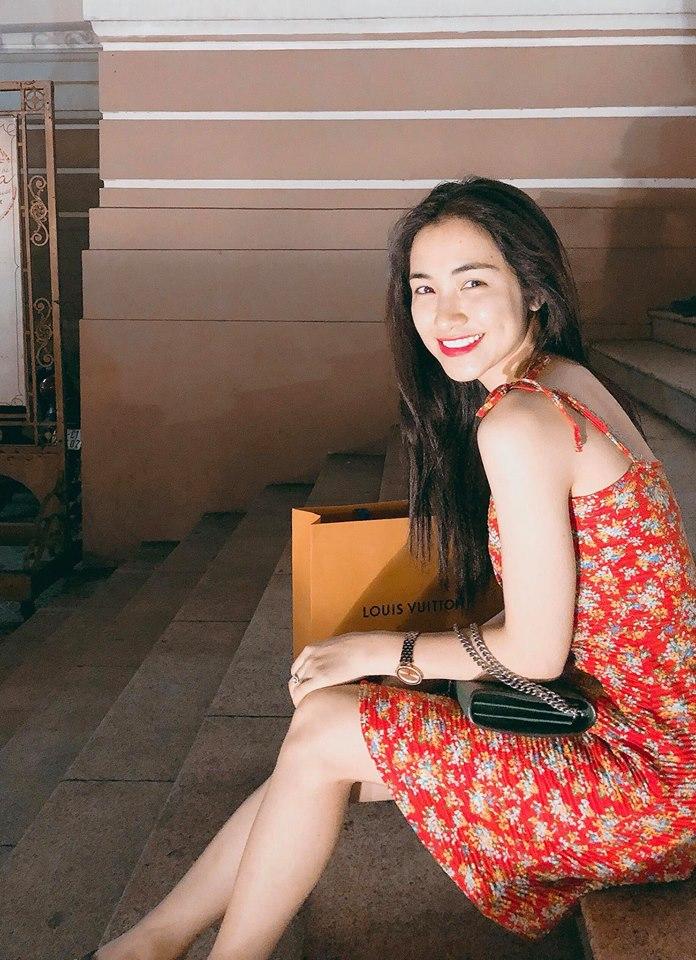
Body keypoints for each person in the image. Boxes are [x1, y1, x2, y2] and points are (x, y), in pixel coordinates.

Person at [91, 177, 696, 960]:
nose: (444, 315)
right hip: (651, 746)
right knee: (328, 748)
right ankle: (151, 943)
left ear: (533, 289)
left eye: (473, 283)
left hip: (643, 785)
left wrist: (386, 650)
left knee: (326, 727)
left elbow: (536, 652)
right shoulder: (566, 379)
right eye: (424, 288)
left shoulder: (520, 422)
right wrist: (407, 665)